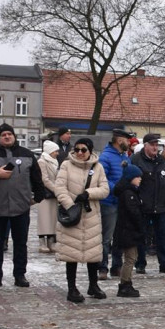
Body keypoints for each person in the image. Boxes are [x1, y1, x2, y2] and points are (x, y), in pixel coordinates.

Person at [0, 123, 44, 290]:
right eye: (3, 135)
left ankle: (20, 275)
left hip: (21, 207)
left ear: (14, 136)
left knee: (20, 243)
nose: (6, 137)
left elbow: (36, 178)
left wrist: (38, 197)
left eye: (9, 134)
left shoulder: (26, 154)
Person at [54, 138, 110, 303]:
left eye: (83, 150)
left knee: (92, 253)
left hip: (91, 215)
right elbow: (59, 188)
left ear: (90, 151)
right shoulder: (66, 165)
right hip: (72, 216)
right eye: (76, 149)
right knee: (71, 254)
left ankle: (93, 285)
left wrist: (89, 193)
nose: (79, 152)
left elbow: (105, 189)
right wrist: (71, 206)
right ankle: (72, 288)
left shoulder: (97, 167)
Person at [130, 134, 165, 274]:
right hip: (143, 206)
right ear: (145, 145)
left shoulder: (162, 161)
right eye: (152, 145)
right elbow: (130, 180)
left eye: (157, 145)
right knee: (141, 236)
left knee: (162, 236)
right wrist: (136, 199)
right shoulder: (136, 160)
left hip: (161, 206)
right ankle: (140, 264)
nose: (155, 147)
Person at [99, 129, 132, 280]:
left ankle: (116, 266)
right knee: (107, 238)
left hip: (123, 203)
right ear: (119, 140)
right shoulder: (105, 157)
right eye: (127, 140)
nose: (129, 143)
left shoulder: (125, 156)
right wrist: (118, 189)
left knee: (120, 237)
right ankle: (102, 267)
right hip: (109, 202)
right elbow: (102, 179)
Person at [112, 165, 145, 297]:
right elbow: (134, 213)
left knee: (131, 257)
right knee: (130, 258)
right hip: (128, 231)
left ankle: (127, 282)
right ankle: (125, 284)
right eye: (137, 177)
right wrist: (141, 226)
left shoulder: (130, 191)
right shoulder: (128, 193)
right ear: (131, 178)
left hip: (128, 230)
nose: (140, 179)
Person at [35, 140, 60, 253]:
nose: (57, 153)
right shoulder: (42, 161)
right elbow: (44, 179)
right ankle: (42, 242)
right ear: (50, 151)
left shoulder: (55, 161)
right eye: (55, 151)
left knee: (52, 219)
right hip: (45, 194)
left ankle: (51, 241)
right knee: (44, 219)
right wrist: (56, 189)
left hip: (54, 194)